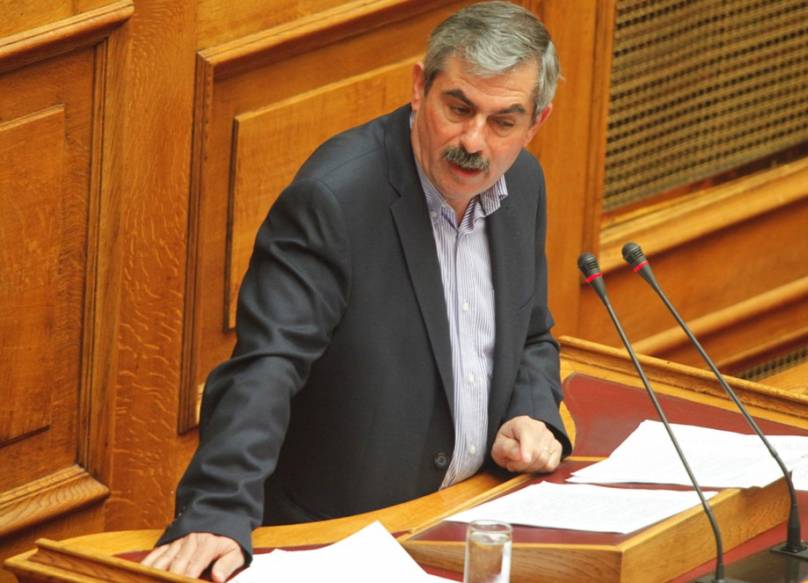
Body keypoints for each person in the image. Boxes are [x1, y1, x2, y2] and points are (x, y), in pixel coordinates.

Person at [142, 2, 571, 580]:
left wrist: (533, 411)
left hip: (466, 519)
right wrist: (217, 509)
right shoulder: (335, 200)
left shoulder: (523, 183)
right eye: (458, 108)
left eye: (502, 123)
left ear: (535, 123)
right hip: (343, 542)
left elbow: (532, 332)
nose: (473, 141)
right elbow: (267, 364)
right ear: (420, 87)